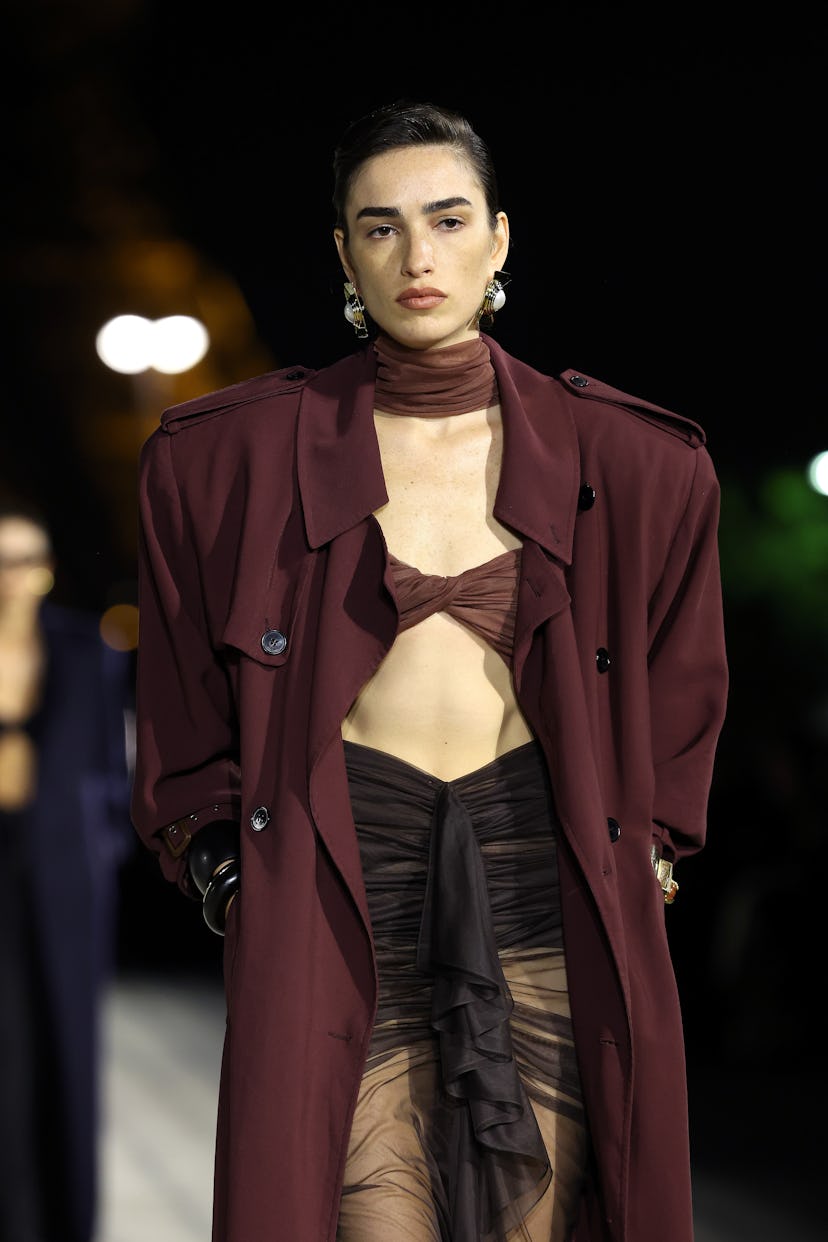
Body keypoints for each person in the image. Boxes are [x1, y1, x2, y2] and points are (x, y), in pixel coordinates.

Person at [130, 99, 728, 1242]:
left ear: (499, 239)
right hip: (341, 878)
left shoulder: (638, 465)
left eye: (448, 221)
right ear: (344, 253)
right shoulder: (225, 464)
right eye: (383, 226)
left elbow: (683, 685)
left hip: (540, 878)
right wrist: (224, 868)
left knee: (545, 1215)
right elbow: (180, 705)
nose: (419, 257)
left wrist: (647, 846)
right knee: (358, 1213)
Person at [0, 497, 134, 1242]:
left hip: (63, 872)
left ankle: (63, 1222)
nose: (9, 579)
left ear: (44, 571)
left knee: (66, 1044)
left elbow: (114, 773)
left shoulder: (87, 649)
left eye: (22, 561)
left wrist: (101, 851)